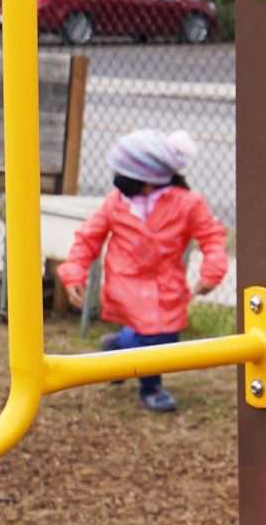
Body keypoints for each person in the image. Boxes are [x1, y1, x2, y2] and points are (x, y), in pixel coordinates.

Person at [57, 129, 229, 415]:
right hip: (127, 282)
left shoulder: (187, 204)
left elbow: (212, 236)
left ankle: (118, 347)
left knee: (168, 338)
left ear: (150, 180)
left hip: (166, 284)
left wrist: (212, 271)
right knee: (153, 337)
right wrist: (75, 272)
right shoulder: (116, 203)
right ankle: (151, 387)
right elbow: (89, 238)